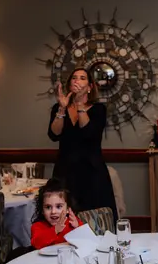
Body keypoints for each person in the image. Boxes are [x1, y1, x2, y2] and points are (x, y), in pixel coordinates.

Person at [48, 67, 118, 223]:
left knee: (95, 221)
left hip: (92, 173)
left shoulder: (99, 110)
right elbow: (54, 134)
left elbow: (88, 133)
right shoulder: (59, 108)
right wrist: (62, 108)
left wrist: (79, 103)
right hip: (65, 172)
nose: (77, 81)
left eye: (82, 78)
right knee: (63, 220)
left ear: (90, 87)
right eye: (74, 78)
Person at [30, 178, 83, 250]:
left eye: (58, 206)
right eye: (48, 207)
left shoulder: (72, 222)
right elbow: (36, 243)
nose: (53, 212)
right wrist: (55, 230)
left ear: (68, 209)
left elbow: (86, 241)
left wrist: (78, 227)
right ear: (42, 210)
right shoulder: (37, 226)